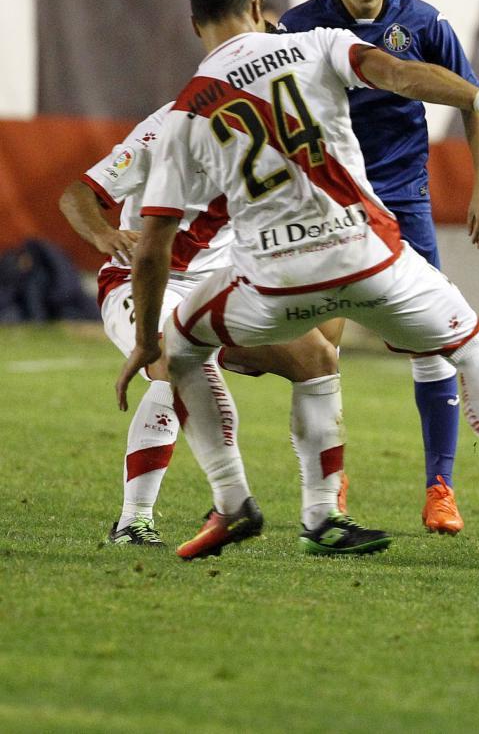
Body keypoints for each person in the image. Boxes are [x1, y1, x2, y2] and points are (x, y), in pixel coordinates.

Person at [115, 0, 479, 561]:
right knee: (470, 343)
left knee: (181, 347)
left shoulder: (184, 112)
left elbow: (154, 246)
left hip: (274, 282)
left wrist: (145, 340)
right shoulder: (318, 43)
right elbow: (399, 74)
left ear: (195, 26)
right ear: (262, 10)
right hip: (369, 259)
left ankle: (234, 501)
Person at [60, 102, 374, 551]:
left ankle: (323, 520)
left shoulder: (282, 130)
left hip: (223, 285)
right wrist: (103, 235)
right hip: (143, 282)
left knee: (318, 357)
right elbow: (77, 195)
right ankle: (144, 519)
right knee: (181, 362)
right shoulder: (170, 126)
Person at [280, 0, 479, 535]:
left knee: (432, 342)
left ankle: (441, 487)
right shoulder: (300, 27)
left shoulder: (425, 24)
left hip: (403, 204)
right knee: (323, 345)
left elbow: (473, 100)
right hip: (330, 206)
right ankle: (330, 480)